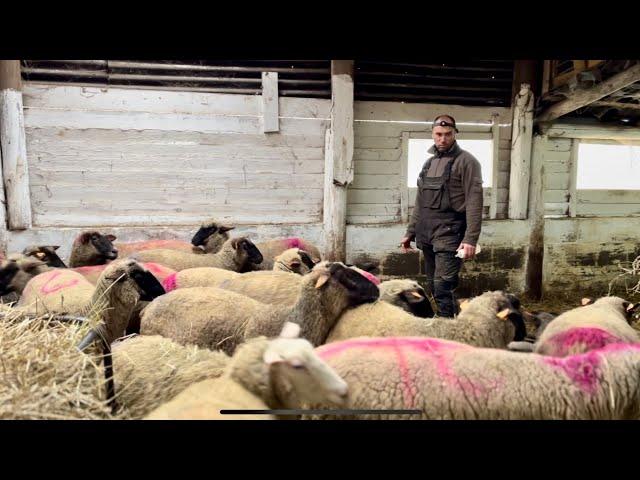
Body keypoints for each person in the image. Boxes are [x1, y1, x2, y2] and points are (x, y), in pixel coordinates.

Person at [400, 114, 483, 317]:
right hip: (426, 232)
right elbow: (420, 201)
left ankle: (449, 327)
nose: (443, 139)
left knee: (443, 286)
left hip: (450, 232)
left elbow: (474, 200)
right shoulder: (428, 164)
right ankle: (444, 322)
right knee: (431, 285)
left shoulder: (467, 162)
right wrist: (410, 232)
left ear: (455, 134)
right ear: (432, 134)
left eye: (447, 134)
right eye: (438, 134)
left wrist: (470, 238)